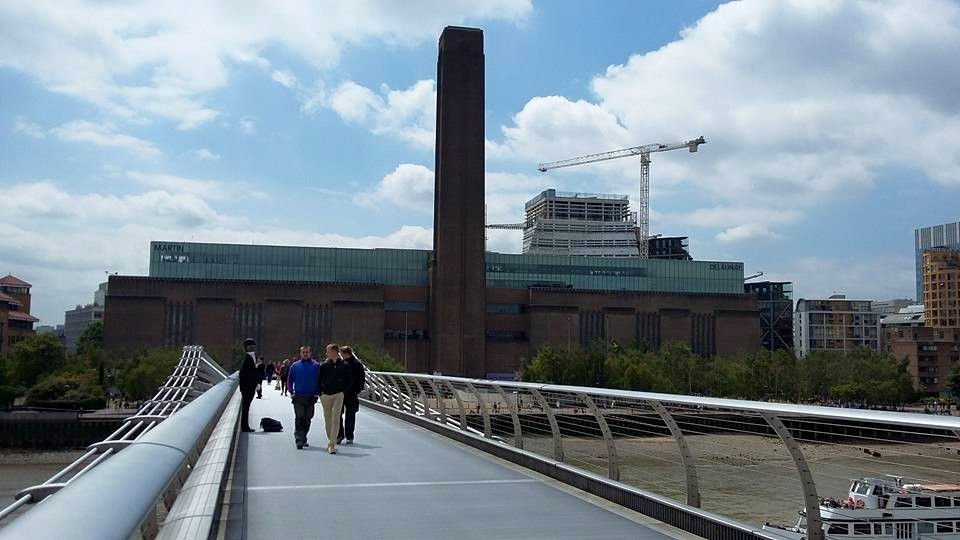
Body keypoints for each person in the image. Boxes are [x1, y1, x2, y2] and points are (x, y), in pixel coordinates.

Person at [318, 343, 352, 454]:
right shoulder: (324, 365)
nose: (326, 353)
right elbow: (319, 379)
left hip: (338, 395)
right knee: (328, 419)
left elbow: (349, 381)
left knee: (336, 419)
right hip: (325, 395)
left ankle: (331, 445)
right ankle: (331, 439)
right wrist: (320, 393)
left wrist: (343, 392)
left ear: (334, 352)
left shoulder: (345, 365)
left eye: (328, 351)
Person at [288, 346, 321, 449]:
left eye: (307, 352)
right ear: (300, 353)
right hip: (298, 396)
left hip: (311, 396)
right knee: (299, 418)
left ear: (310, 353)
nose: (305, 354)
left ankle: (303, 437)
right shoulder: (295, 366)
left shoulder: (316, 366)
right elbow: (290, 379)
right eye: (303, 352)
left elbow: (320, 380)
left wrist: (317, 393)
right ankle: (299, 439)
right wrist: (291, 392)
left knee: (308, 418)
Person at [338, 346, 366, 445]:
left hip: (343, 392)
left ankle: (340, 435)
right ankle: (349, 436)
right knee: (350, 415)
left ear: (346, 353)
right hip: (352, 393)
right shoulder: (358, 364)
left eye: (341, 354)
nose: (341, 356)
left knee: (338, 414)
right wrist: (357, 390)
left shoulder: (342, 364)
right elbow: (362, 379)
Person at [238, 337, 262, 432]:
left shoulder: (248, 358)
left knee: (246, 407)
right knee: (246, 407)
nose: (252, 348)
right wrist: (256, 384)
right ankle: (245, 426)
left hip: (246, 387)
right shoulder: (248, 359)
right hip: (248, 387)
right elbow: (249, 374)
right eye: (251, 346)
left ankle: (245, 426)